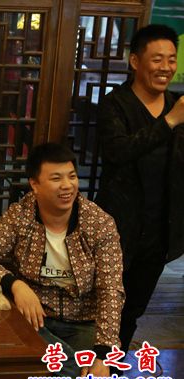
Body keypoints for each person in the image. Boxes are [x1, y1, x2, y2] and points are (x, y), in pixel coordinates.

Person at [0, 143, 126, 379]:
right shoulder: (20, 216)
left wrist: (102, 356)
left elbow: (111, 290)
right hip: (35, 321)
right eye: (56, 178)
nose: (67, 186)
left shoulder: (99, 223)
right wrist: (15, 284)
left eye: (72, 176)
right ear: (35, 184)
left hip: (83, 323)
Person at [95, 24, 184, 353]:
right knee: (105, 304)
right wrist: (169, 121)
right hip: (118, 227)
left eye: (171, 59)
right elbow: (118, 151)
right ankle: (94, 366)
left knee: (133, 308)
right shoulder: (115, 105)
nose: (166, 67)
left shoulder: (177, 105)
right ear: (135, 61)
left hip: (161, 231)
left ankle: (113, 367)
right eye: (157, 59)